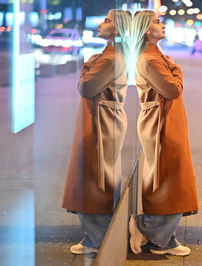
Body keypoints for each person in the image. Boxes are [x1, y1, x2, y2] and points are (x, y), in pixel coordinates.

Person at [62, 9, 134, 255]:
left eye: (107, 20)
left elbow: (86, 87)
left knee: (95, 174)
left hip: (103, 119)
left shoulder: (108, 58)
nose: (101, 24)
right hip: (107, 117)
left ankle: (96, 238)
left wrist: (86, 67)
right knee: (101, 172)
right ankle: (99, 234)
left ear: (117, 29)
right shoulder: (111, 55)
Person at [129, 10, 199, 257]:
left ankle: (162, 238)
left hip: (163, 120)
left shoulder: (155, 56)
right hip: (160, 122)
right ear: (147, 31)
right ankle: (149, 229)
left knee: (169, 179)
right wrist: (177, 70)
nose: (163, 25)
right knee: (170, 179)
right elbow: (172, 89)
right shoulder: (150, 58)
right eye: (157, 22)